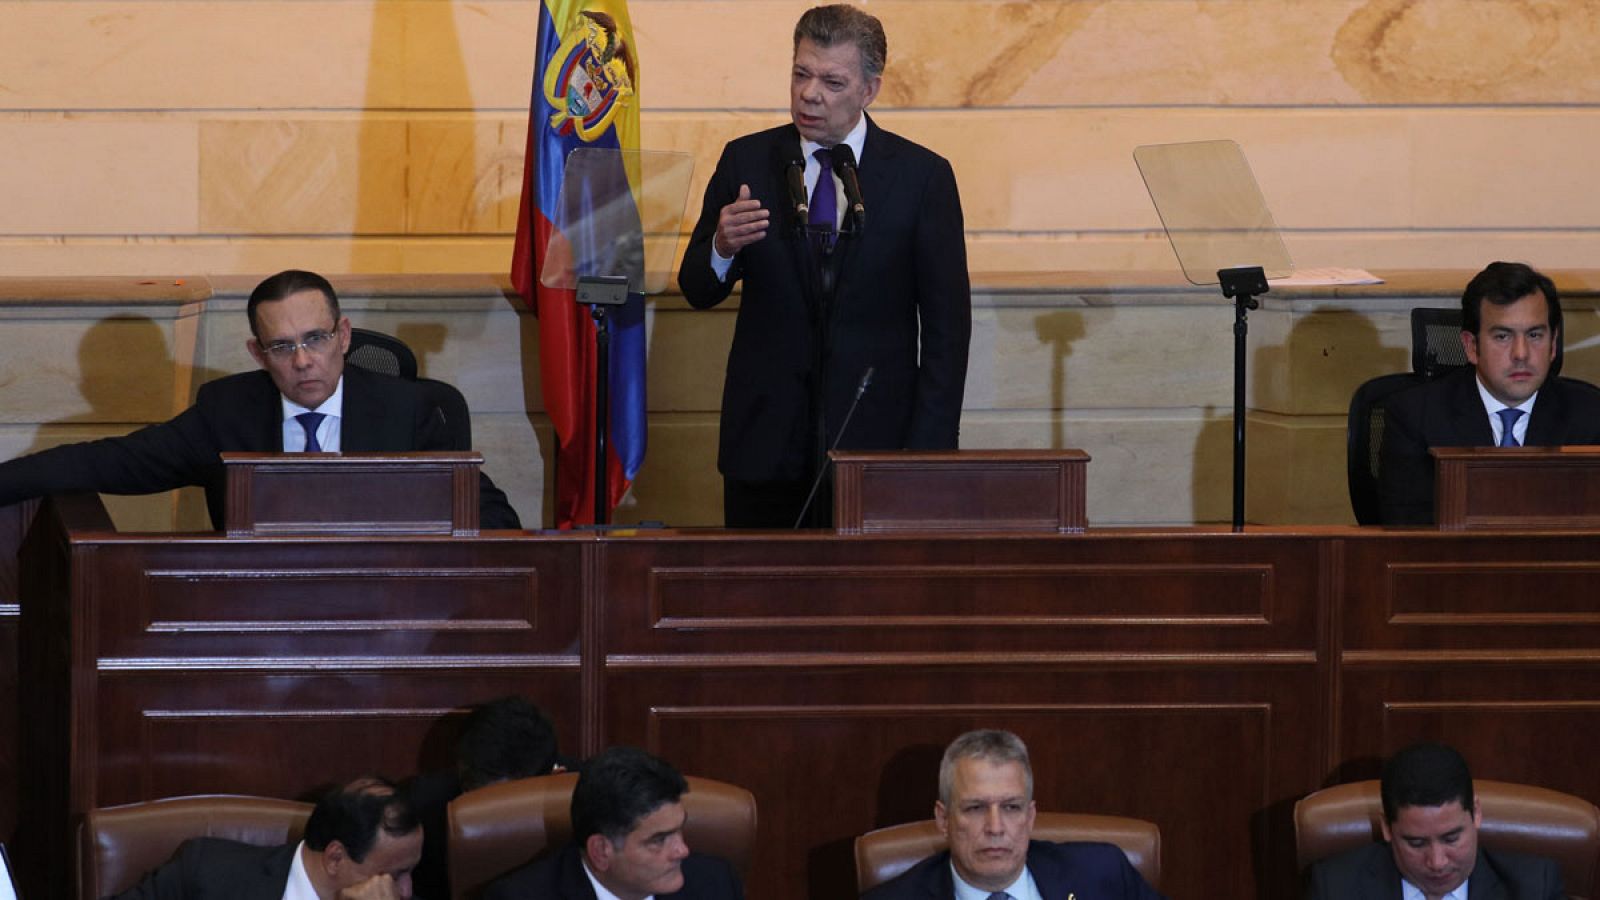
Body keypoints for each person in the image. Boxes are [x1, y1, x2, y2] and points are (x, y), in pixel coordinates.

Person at [677, 4, 971, 528]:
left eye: (833, 81)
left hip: (877, 446)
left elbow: (949, 331)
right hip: (764, 447)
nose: (810, 93)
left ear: (869, 89)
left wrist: (929, 452)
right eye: (800, 73)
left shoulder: (922, 178)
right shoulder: (746, 161)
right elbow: (697, 288)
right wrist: (722, 245)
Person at [0, 270, 521, 529]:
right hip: (261, 616)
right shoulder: (227, 413)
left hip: (391, 608)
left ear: (343, 336)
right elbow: (110, 462)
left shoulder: (409, 411)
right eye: (282, 346)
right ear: (257, 352)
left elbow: (494, 519)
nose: (302, 361)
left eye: (315, 339)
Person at [1379, 261, 1600, 524]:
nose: (1521, 354)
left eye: (1534, 335)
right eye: (1503, 337)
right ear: (1471, 346)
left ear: (1553, 344)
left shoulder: (1591, 416)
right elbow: (1407, 531)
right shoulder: (1415, 417)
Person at [863, 729, 1164, 900]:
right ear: (944, 819)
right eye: (976, 808)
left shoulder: (1102, 875)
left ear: (1030, 817)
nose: (995, 827)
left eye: (1010, 807)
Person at [1305, 742, 1562, 900]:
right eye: (1416, 843)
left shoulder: (1533, 887)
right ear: (1386, 828)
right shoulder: (1337, 887)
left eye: (1451, 838)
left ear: (1476, 813)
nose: (1437, 862)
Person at [483, 746, 743, 900]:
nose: (682, 850)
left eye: (679, 830)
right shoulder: (519, 898)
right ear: (601, 851)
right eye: (659, 840)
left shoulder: (714, 884)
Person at [112, 776, 423, 900]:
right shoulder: (208, 875)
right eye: (396, 874)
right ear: (335, 858)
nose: (407, 891)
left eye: (412, 871)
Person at [407, 696, 567, 900]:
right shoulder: (426, 811)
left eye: (505, 808)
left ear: (555, 780)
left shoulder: (590, 801)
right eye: (476, 802)